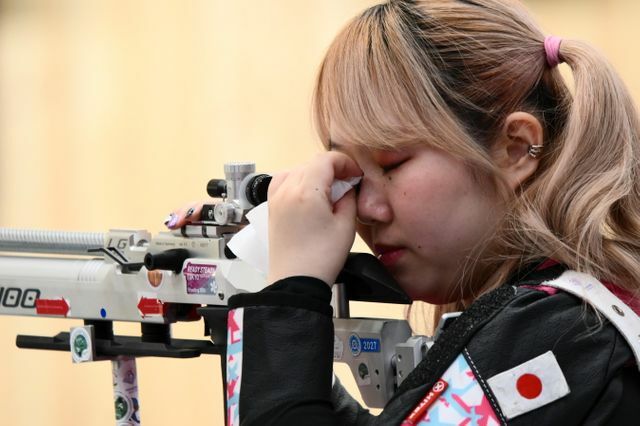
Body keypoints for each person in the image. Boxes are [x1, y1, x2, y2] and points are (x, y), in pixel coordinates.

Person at [168, 0, 640, 424]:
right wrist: (263, 306)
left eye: (392, 163)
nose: (366, 210)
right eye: (352, 174)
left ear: (515, 149)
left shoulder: (559, 338)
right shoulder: (576, 323)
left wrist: (292, 295)